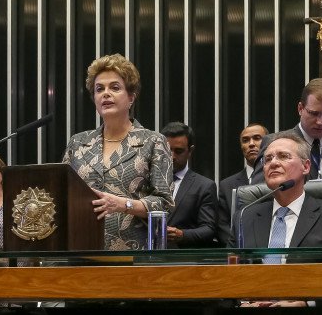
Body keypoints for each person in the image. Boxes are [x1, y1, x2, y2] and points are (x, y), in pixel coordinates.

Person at [62, 54, 174, 251]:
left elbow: (164, 204)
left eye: (115, 87)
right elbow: (63, 194)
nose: (106, 94)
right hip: (81, 249)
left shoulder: (153, 142)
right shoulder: (78, 143)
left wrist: (123, 204)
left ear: (131, 97)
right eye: (99, 89)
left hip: (134, 254)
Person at [229, 131, 322, 250]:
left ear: (306, 166)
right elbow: (229, 266)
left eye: (283, 156)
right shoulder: (244, 217)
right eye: (268, 159)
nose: (273, 163)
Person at [251, 78, 322, 184]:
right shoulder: (274, 143)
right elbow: (258, 191)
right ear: (300, 109)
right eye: (313, 113)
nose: (320, 122)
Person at [160, 122, 217, 248]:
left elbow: (209, 230)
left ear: (190, 151)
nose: (172, 156)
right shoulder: (147, 181)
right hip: (145, 260)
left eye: (178, 151)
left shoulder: (204, 186)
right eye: (167, 151)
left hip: (183, 260)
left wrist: (182, 235)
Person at [217, 123, 267, 245]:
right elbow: (222, 226)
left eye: (257, 138)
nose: (251, 144)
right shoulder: (227, 185)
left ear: (268, 143)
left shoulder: (279, 181)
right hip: (239, 251)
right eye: (245, 140)